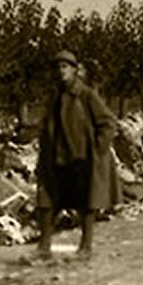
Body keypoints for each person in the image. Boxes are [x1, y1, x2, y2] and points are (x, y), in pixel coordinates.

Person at [33, 50, 119, 263]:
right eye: (58, 67)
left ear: (74, 70)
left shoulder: (86, 95)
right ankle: (43, 248)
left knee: (85, 204)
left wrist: (97, 149)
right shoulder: (55, 96)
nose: (61, 71)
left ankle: (86, 246)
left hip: (82, 159)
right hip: (58, 158)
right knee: (49, 203)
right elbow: (47, 127)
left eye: (65, 67)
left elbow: (108, 123)